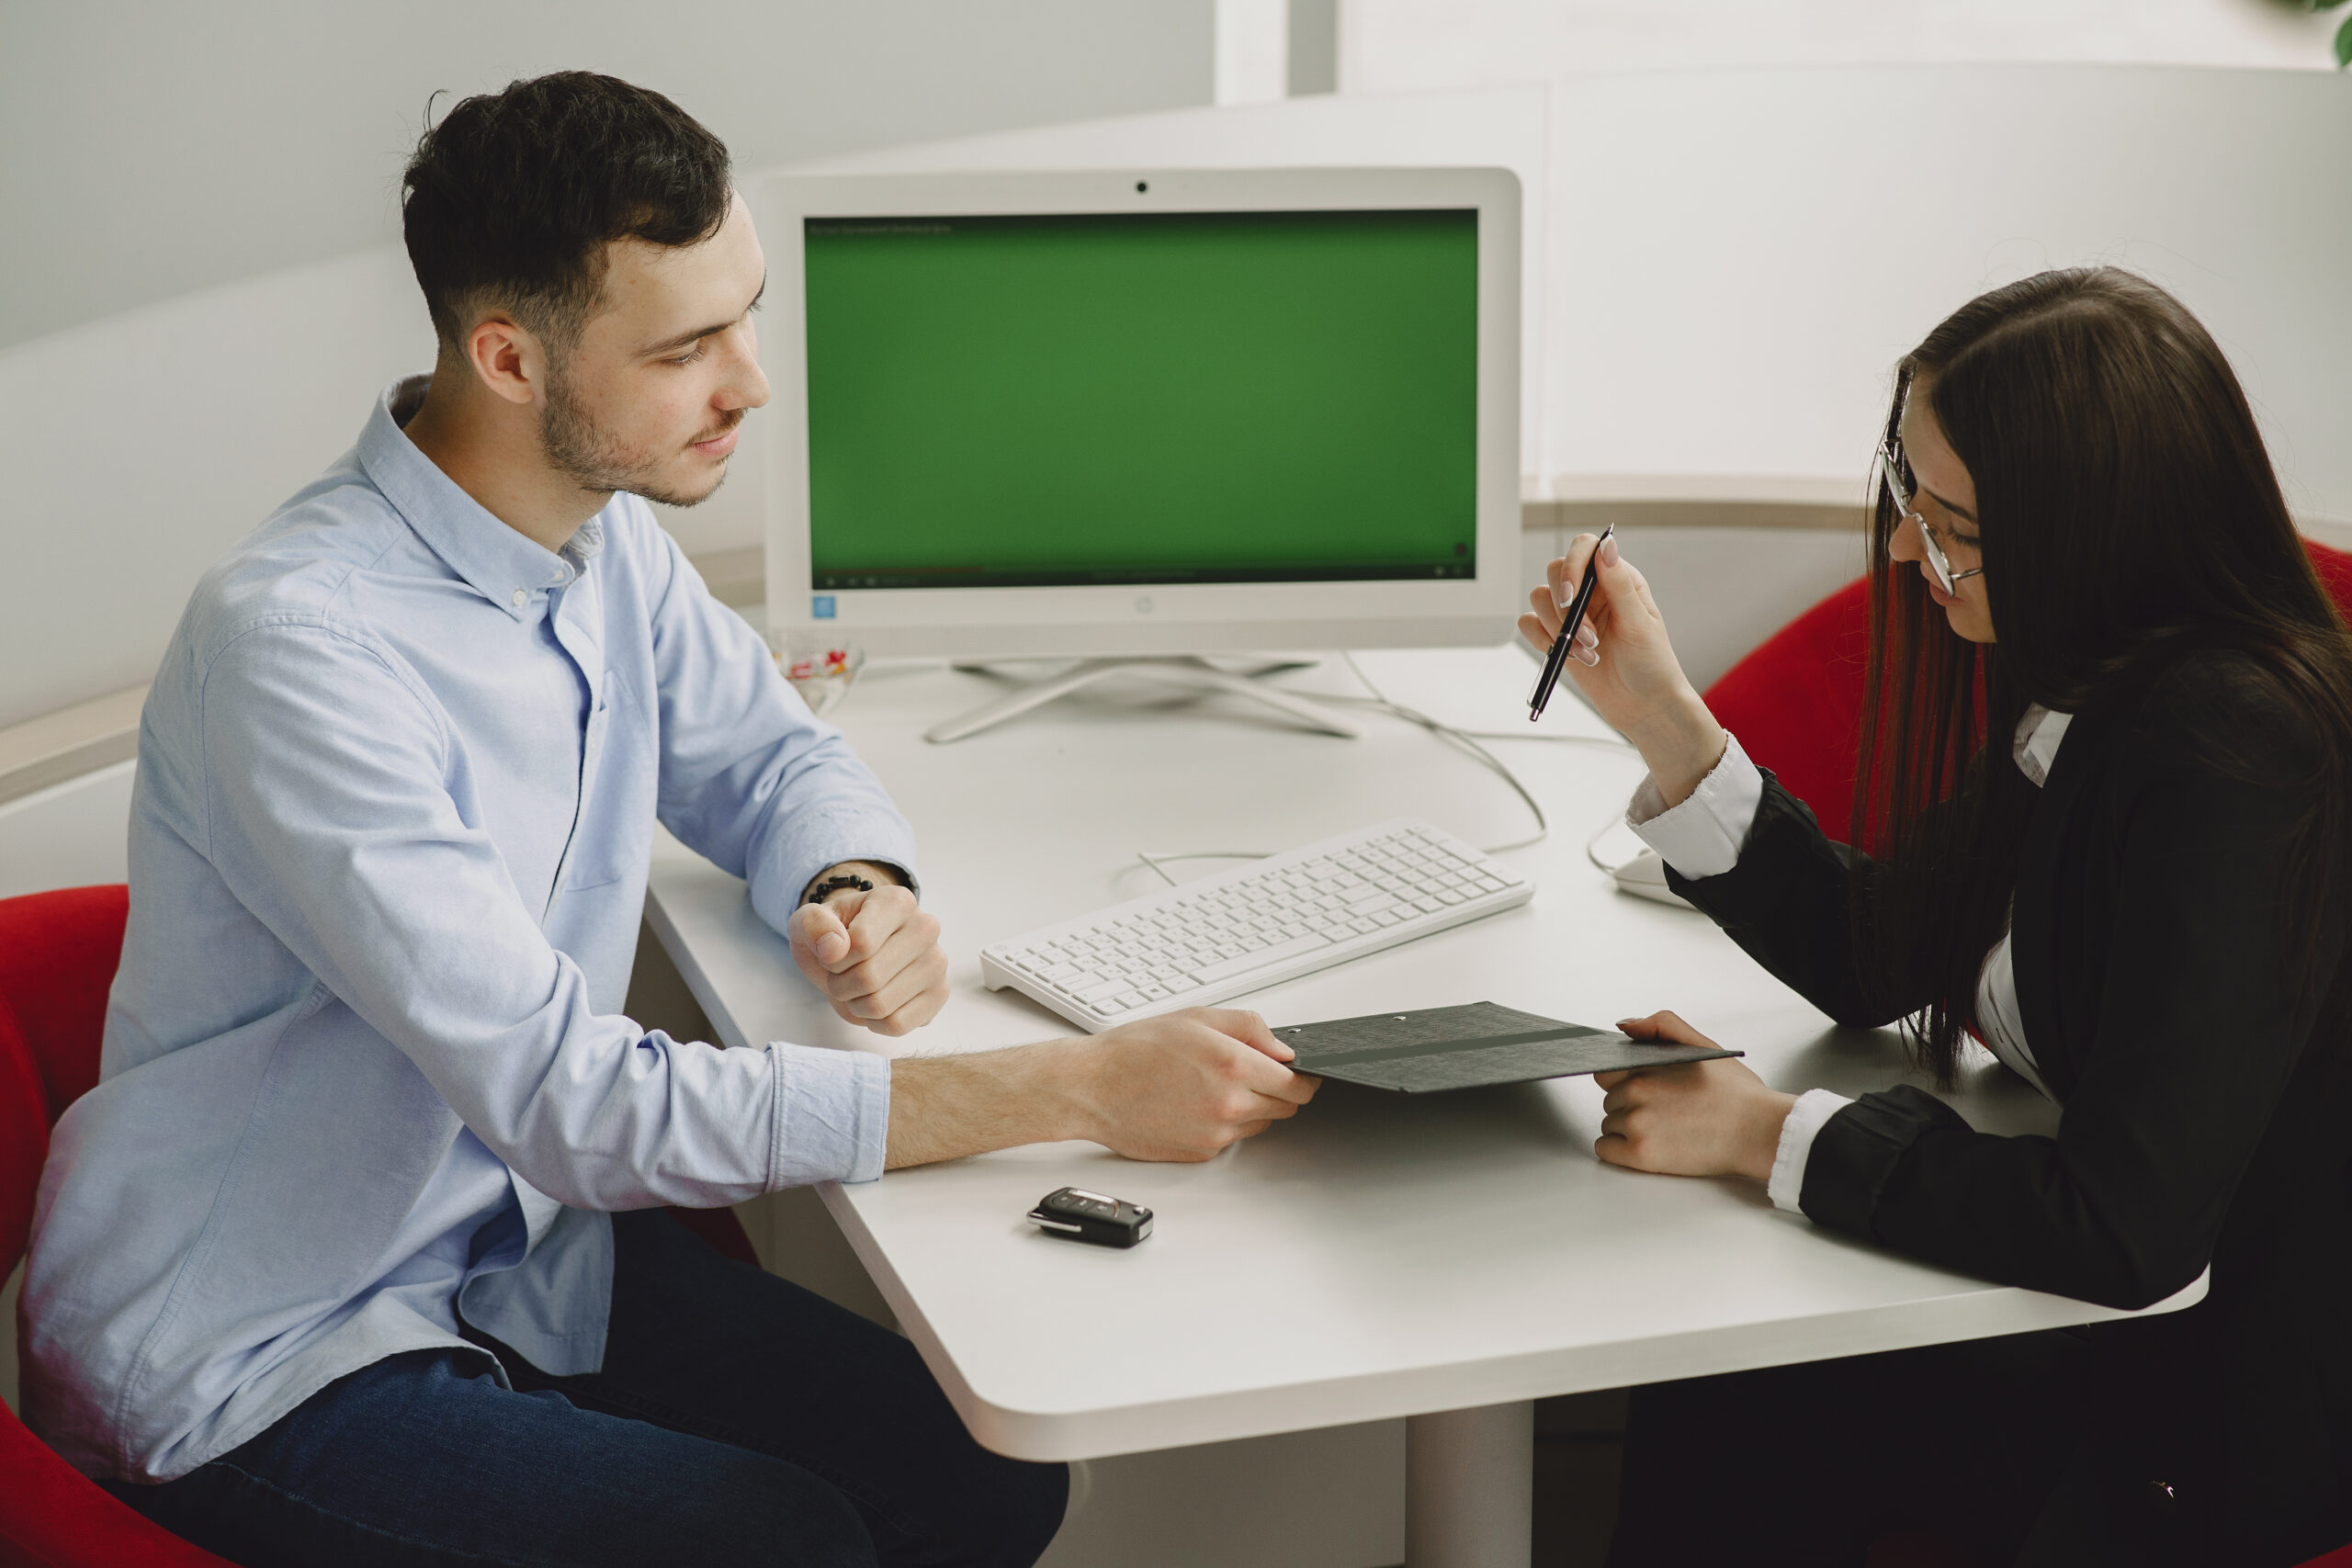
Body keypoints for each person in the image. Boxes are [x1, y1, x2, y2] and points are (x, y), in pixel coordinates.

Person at [20, 73, 1316, 1568]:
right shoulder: (303, 649)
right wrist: (1075, 1089)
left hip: (512, 1260)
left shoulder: (601, 535)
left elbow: (771, 760)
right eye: (687, 348)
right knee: (783, 1544)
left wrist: (850, 881)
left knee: (983, 1481)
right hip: (263, 1351)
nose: (750, 384)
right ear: (509, 357)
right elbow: (578, 1108)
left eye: (745, 318)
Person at [1523, 268, 2352, 1566]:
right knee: (1724, 1376)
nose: (1910, 550)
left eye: (1952, 522)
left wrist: (1764, 1132)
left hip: (2209, 1418)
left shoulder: (2235, 750)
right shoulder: (2098, 681)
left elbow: (2125, 1230)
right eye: (1910, 495)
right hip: (2099, 1335)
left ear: (2095, 531)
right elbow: (1885, 951)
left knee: (1735, 1386)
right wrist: (1669, 727)